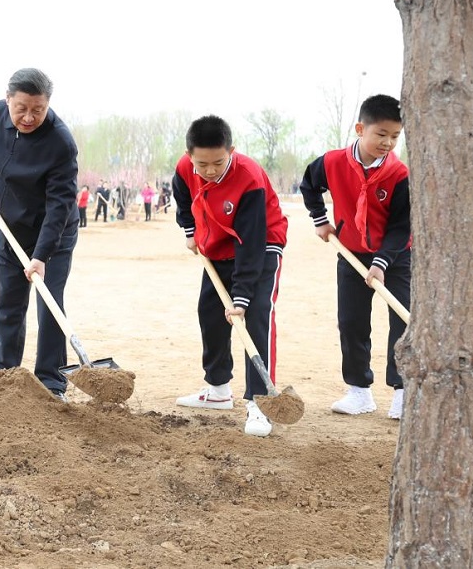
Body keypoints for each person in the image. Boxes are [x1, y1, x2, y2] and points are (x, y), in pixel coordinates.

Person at [172, 115, 288, 438]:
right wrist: (190, 229)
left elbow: (251, 242)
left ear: (232, 151)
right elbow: (181, 191)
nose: (209, 170)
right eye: (202, 163)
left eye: (218, 162)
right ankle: (219, 388)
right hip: (217, 246)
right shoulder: (185, 167)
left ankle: (260, 400)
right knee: (210, 313)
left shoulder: (249, 178)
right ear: (190, 154)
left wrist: (241, 297)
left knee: (255, 315)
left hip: (261, 245)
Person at [299, 94, 411, 420]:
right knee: (351, 322)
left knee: (401, 321)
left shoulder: (400, 174)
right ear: (361, 128)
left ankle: (403, 392)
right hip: (350, 253)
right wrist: (321, 221)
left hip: (397, 257)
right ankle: (359, 392)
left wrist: (381, 263)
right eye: (381, 134)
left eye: (395, 136)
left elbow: (401, 227)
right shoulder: (333, 162)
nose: (388, 142)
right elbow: (309, 184)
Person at [0, 67, 79, 400]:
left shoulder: (60, 142)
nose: (29, 117)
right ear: (8, 100)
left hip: (53, 237)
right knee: (9, 305)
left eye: (38, 110)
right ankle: (4, 373)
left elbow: (60, 205)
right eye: (21, 108)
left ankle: (51, 383)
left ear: (48, 105)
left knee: (49, 306)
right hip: (10, 228)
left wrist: (41, 255)